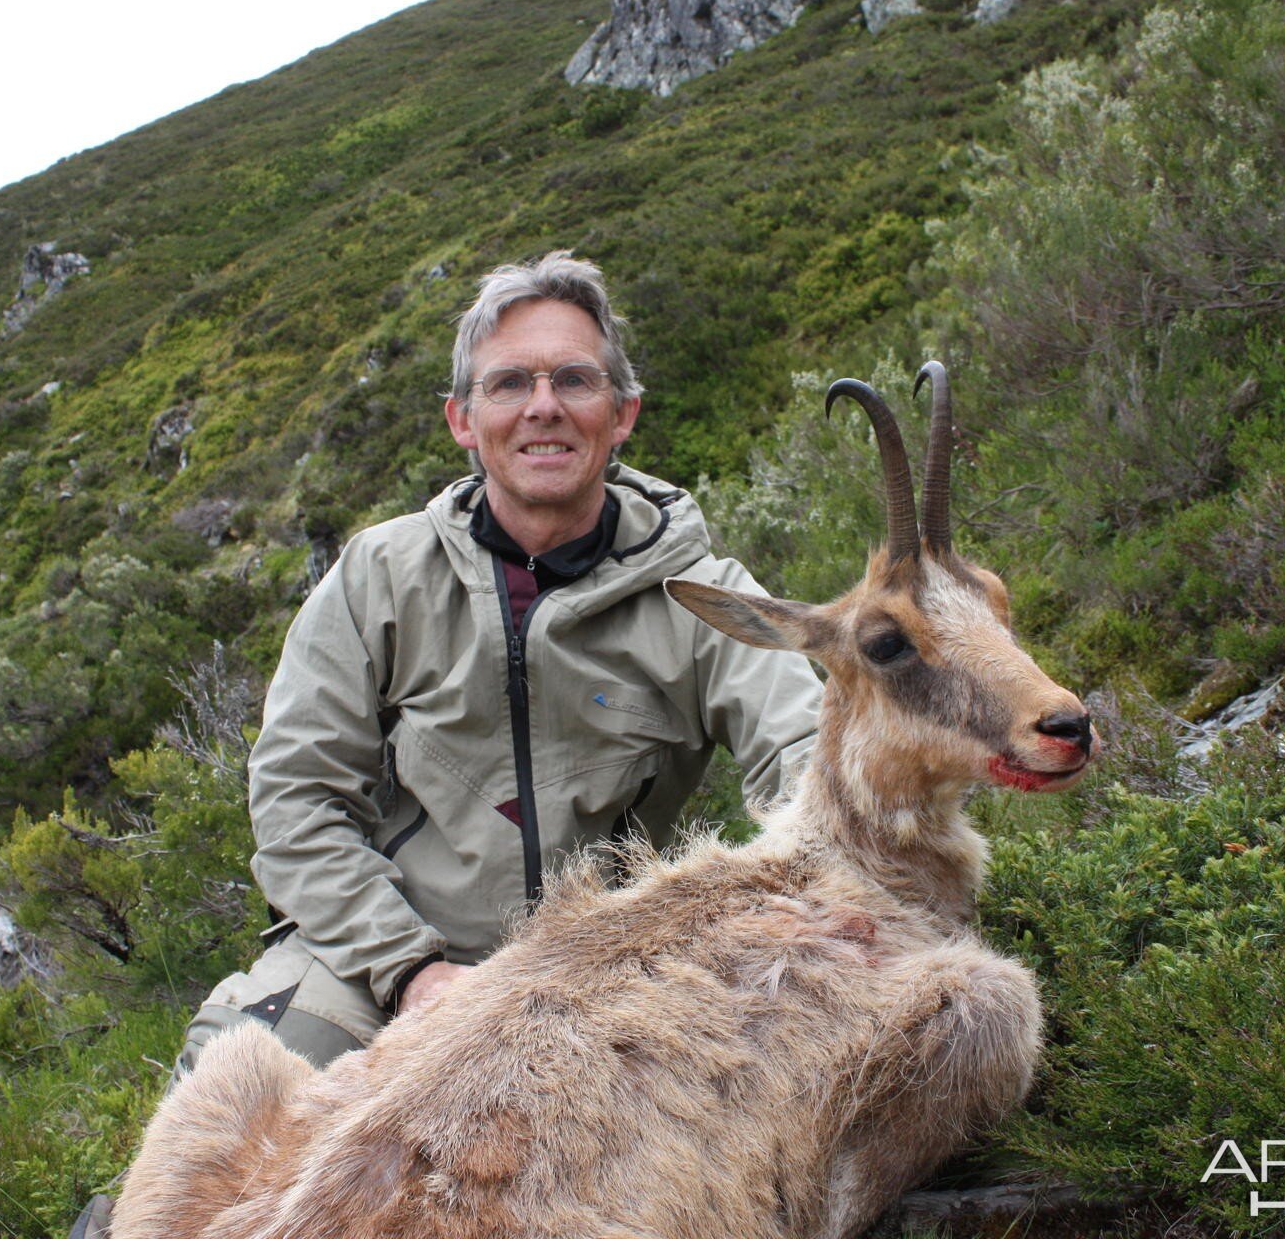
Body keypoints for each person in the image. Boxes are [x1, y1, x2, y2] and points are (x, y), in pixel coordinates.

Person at [71, 251, 823, 1237]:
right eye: (510, 383)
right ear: (464, 420)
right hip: (371, 959)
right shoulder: (380, 575)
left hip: (588, 979)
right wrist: (415, 972)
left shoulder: (702, 592)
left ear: (622, 412)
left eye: (573, 379)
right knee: (226, 1154)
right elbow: (296, 801)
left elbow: (813, 757)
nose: (542, 406)